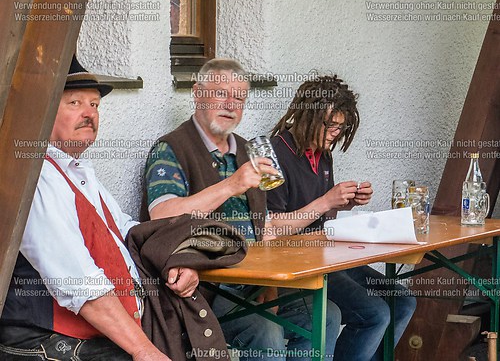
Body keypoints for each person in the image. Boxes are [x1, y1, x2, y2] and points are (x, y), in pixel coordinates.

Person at [142, 58, 341, 360]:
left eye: (239, 97)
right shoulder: (171, 148)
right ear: (197, 93)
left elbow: (263, 230)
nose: (230, 104)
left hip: (254, 280)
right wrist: (231, 185)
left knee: (326, 315)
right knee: (266, 332)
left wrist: (271, 289)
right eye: (221, 93)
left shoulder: (249, 150)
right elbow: (162, 214)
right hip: (204, 284)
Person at [0, 56, 195, 360]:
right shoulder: (36, 175)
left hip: (92, 332)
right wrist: (144, 351)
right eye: (75, 103)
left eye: (95, 105)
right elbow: (78, 282)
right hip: (44, 342)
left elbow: (127, 230)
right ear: (44, 111)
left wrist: (176, 258)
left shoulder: (78, 171)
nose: (89, 113)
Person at [267, 75, 417, 361]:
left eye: (341, 126)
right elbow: (273, 228)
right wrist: (326, 201)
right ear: (307, 114)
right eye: (329, 124)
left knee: (402, 301)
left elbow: (321, 213)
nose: (335, 132)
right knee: (374, 313)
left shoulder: (323, 155)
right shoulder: (274, 154)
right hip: (295, 266)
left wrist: (345, 203)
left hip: (325, 257)